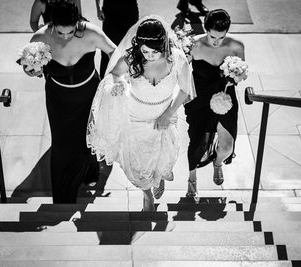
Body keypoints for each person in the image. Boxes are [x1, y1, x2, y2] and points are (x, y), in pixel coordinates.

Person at [87, 16, 196, 211]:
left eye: (155, 52)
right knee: (136, 162)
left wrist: (168, 114)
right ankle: (147, 194)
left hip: (163, 116)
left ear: (164, 45)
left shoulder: (177, 59)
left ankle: (158, 178)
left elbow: (185, 90)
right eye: (145, 51)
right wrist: (119, 84)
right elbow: (114, 74)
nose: (149, 56)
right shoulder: (131, 57)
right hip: (134, 117)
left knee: (162, 156)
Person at [24, 0, 116, 203]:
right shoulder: (40, 37)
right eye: (59, 32)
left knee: (89, 135)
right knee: (62, 144)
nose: (65, 37)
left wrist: (114, 78)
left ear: (77, 23)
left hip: (89, 95)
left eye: (70, 32)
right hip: (58, 98)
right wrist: (33, 69)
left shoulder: (91, 33)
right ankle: (64, 194)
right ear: (51, 24)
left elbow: (115, 53)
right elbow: (29, 68)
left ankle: (90, 173)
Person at [184, 9, 245, 197]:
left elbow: (241, 73)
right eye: (212, 36)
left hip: (225, 96)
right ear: (205, 29)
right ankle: (192, 178)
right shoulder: (193, 45)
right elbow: (183, 73)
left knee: (227, 146)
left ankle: (218, 163)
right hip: (200, 98)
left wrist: (234, 77)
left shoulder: (237, 46)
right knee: (197, 143)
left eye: (221, 37)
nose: (217, 42)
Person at [95, 0, 139, 77]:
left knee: (130, 48)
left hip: (129, 11)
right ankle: (104, 82)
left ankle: (129, 81)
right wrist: (98, 8)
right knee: (107, 49)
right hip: (110, 11)